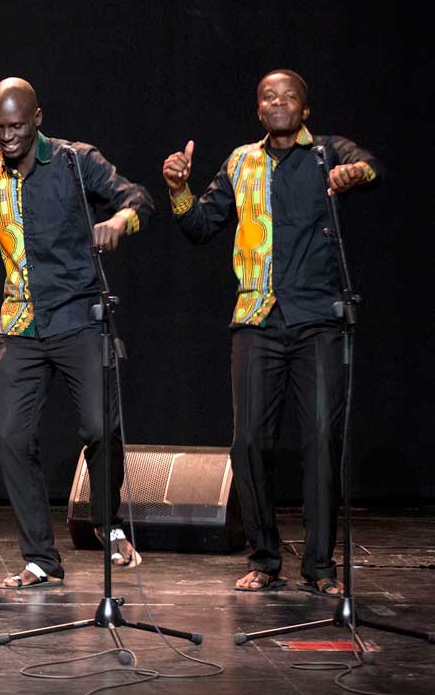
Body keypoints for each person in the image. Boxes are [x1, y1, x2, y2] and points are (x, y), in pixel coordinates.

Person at [162, 69, 380, 596]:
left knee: (321, 441)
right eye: (268, 97)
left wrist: (357, 176)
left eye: (289, 97)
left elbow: (372, 166)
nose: (278, 103)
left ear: (305, 110)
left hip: (319, 322)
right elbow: (200, 226)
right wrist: (179, 190)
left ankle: (321, 567)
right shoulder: (241, 162)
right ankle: (264, 558)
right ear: (258, 110)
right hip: (257, 320)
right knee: (250, 442)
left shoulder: (328, 153)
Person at [0, 77, 153, 588]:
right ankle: (41, 557)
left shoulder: (73, 160)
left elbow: (138, 198)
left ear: (37, 118)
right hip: (19, 324)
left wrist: (121, 220)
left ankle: (106, 521)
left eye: (16, 126)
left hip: (78, 315)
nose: (7, 137)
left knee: (99, 429)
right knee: (12, 437)